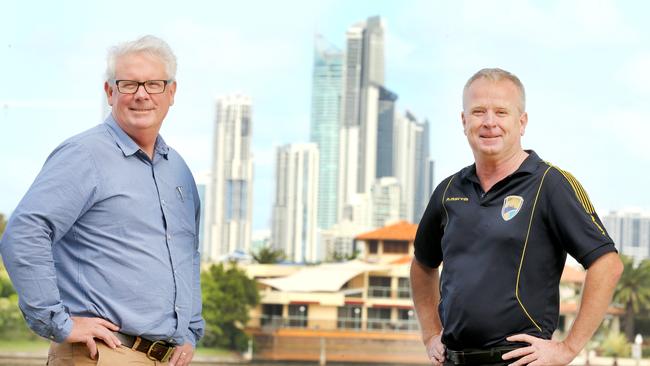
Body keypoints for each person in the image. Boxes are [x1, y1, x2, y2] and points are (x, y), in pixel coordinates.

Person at [0, 35, 203, 365]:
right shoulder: (84, 156)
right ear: (110, 92)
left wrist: (191, 332)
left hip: (168, 358)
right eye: (128, 84)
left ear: (171, 93)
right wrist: (58, 323)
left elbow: (187, 254)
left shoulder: (178, 170)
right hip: (102, 355)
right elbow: (24, 233)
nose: (141, 95)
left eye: (153, 84)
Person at [410, 68, 623, 366]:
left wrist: (568, 348)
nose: (489, 122)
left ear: (521, 122)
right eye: (478, 112)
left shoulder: (550, 184)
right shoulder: (447, 191)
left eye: (501, 112)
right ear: (464, 121)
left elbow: (607, 264)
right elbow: (422, 265)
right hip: (453, 360)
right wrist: (430, 333)